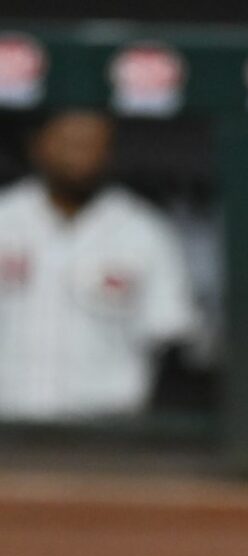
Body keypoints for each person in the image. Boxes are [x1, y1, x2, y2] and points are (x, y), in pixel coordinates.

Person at [0, 109, 196, 419]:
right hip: (8, 417)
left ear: (110, 154)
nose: (79, 157)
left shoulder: (142, 230)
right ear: (37, 146)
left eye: (92, 146)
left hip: (106, 430)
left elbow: (168, 335)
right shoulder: (4, 217)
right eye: (69, 143)